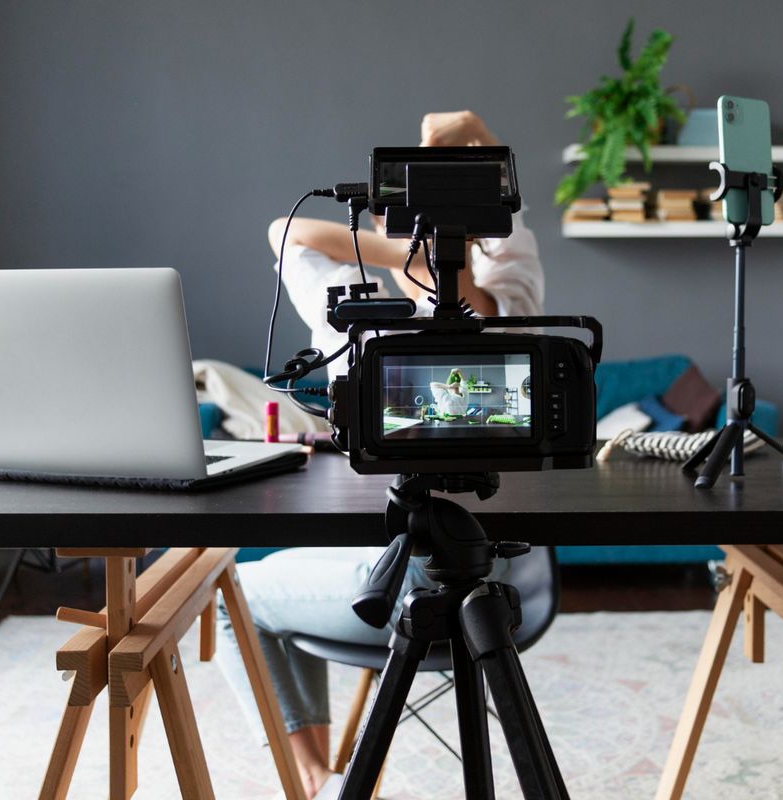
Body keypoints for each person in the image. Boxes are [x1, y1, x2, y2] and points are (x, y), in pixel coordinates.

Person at [215, 110, 544, 799]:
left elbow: (489, 293)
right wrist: (405, 255)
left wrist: (475, 137)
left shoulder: (496, 304)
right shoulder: (354, 313)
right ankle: (319, 779)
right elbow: (285, 232)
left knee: (236, 593)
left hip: (433, 573)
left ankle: (311, 782)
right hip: (473, 563)